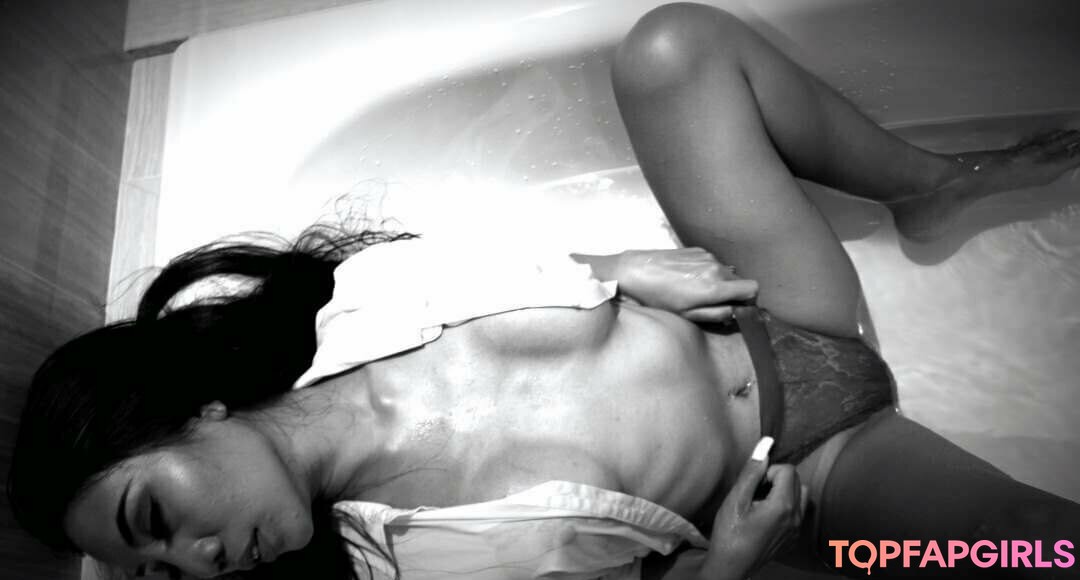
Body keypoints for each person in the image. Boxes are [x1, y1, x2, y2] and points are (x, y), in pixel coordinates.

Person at [9, 3, 1080, 579]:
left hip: (775, 302)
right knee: (1040, 542)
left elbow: (526, 267)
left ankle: (925, 188)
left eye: (156, 518)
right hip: (817, 468)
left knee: (673, 47)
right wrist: (731, 563)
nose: (198, 563)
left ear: (192, 414)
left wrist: (622, 269)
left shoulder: (364, 299)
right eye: (162, 574)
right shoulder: (415, 567)